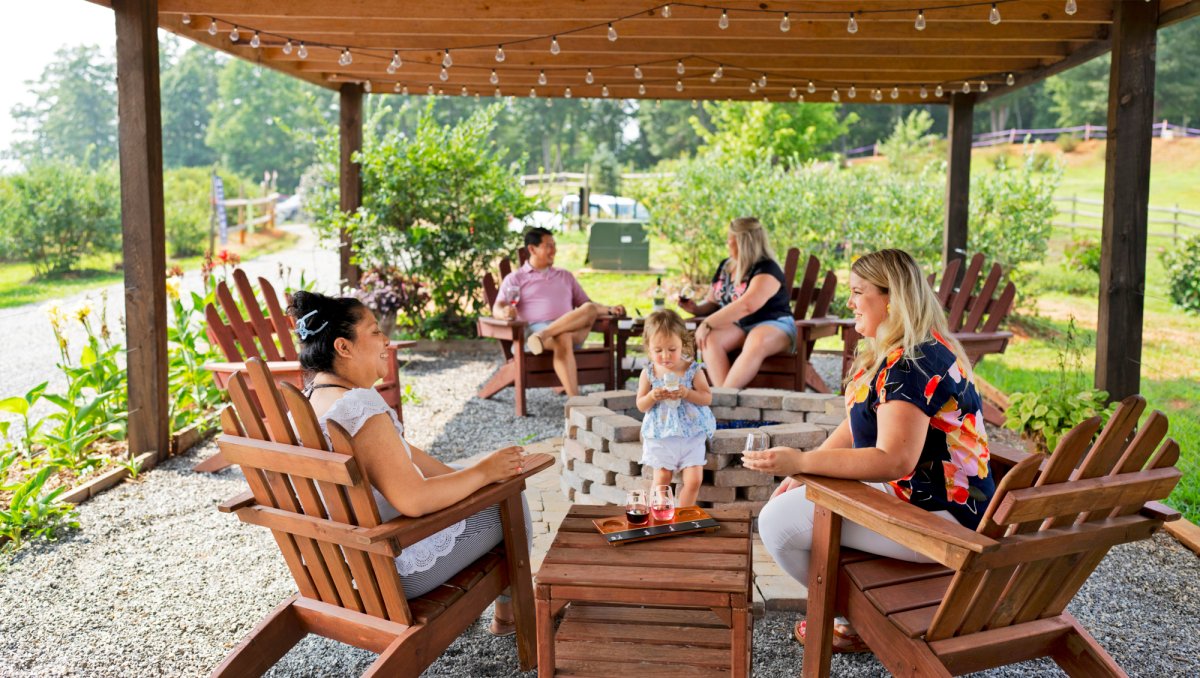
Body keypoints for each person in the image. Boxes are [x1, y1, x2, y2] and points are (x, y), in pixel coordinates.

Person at [741, 249, 995, 652]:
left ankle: (849, 617)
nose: (850, 302)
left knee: (776, 524)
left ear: (891, 297)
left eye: (859, 292)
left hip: (941, 522)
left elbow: (893, 459)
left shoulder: (910, 366)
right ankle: (854, 609)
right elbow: (862, 421)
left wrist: (804, 460)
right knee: (798, 504)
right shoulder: (908, 348)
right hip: (923, 497)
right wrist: (804, 474)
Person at [288, 290, 531, 637]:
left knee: (492, 490)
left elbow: (405, 452)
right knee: (510, 501)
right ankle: (509, 616)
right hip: (393, 570)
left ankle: (495, 608)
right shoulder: (357, 407)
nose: (386, 340)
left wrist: (474, 480)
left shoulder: (310, 404)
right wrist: (486, 474)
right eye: (374, 331)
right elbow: (414, 500)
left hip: (341, 567)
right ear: (343, 347)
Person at [493, 227, 625, 396]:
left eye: (554, 245)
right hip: (532, 333)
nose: (554, 250)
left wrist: (610, 309)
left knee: (589, 309)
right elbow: (497, 307)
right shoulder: (515, 278)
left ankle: (545, 334)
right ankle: (575, 401)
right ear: (532, 249)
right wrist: (504, 312)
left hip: (559, 332)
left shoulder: (565, 276)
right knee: (563, 337)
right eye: (548, 246)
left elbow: (586, 305)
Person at [680, 217, 796, 388]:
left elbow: (747, 305)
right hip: (740, 326)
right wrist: (696, 309)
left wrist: (708, 322)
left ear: (743, 243)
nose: (727, 243)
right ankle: (726, 400)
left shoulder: (767, 269)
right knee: (710, 339)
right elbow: (713, 302)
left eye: (730, 239)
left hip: (774, 323)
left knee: (756, 340)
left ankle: (724, 398)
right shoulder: (726, 266)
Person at [634, 309, 716, 508]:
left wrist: (687, 393)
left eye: (672, 349)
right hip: (661, 436)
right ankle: (661, 512)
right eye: (658, 350)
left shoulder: (692, 369)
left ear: (682, 343)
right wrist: (653, 396)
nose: (665, 356)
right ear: (649, 348)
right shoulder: (649, 373)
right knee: (662, 478)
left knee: (694, 479)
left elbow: (707, 398)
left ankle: (683, 514)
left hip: (690, 435)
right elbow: (641, 405)